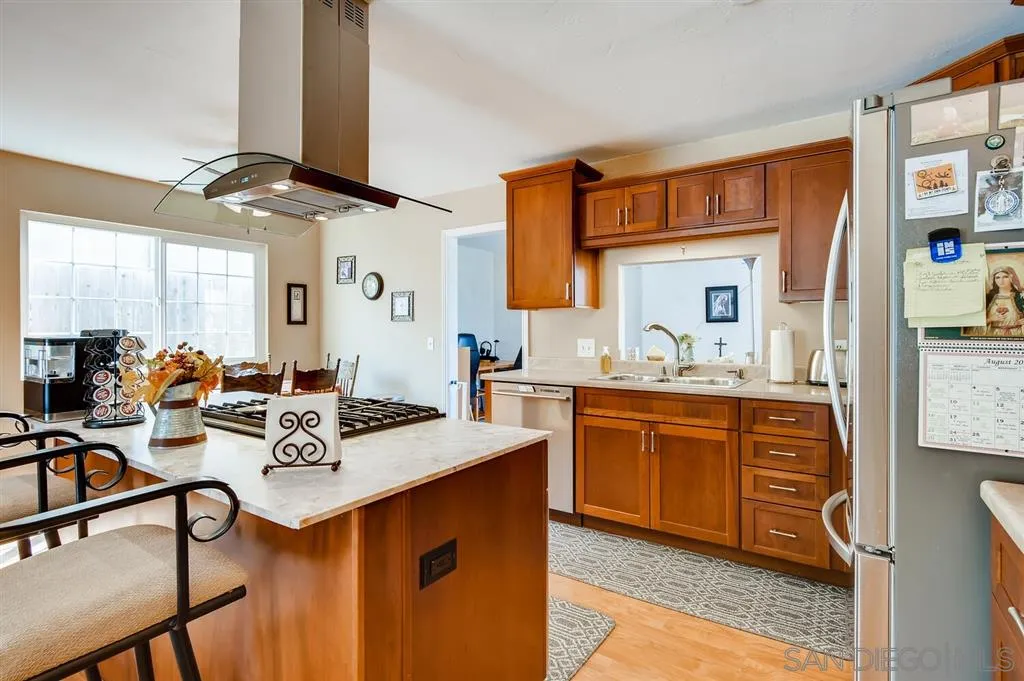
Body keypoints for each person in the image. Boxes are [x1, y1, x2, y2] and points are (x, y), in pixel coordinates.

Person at [965, 265, 1024, 337]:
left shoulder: (1020, 297)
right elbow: (972, 320)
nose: (1001, 281)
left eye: (1005, 277)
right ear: (994, 279)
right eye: (997, 277)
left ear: (1012, 278)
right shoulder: (988, 297)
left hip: (1016, 335)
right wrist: (990, 319)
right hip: (992, 335)